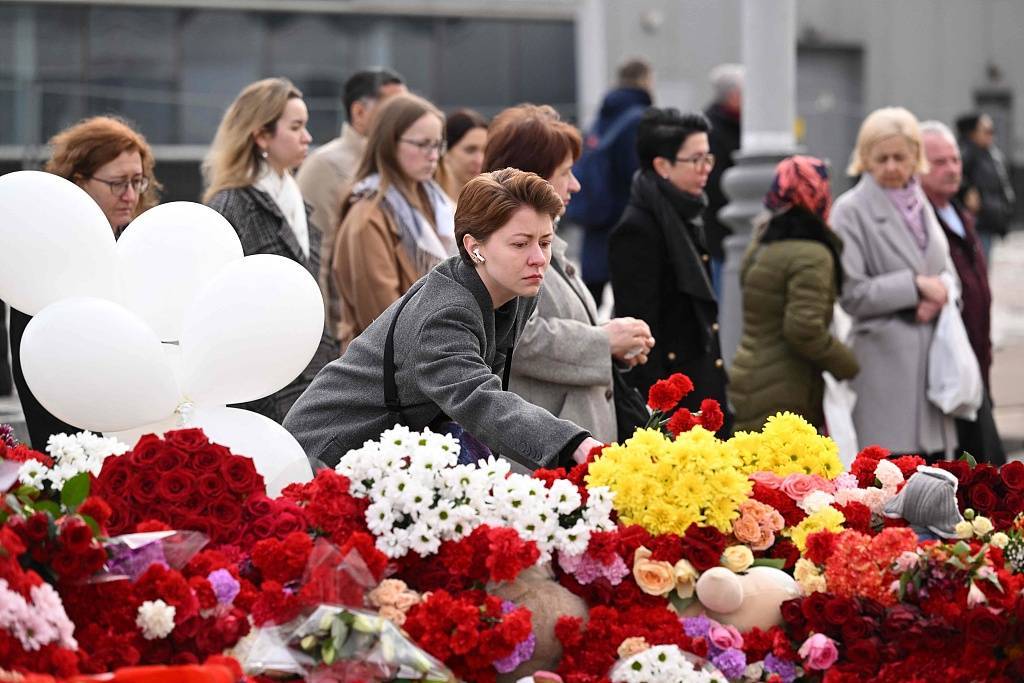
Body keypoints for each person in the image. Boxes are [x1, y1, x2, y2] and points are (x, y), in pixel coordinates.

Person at [284, 168, 602, 470]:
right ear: (474, 248)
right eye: (520, 244)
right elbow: (475, 397)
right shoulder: (447, 313)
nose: (538, 259)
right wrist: (573, 442)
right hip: (329, 451)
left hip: (398, 453)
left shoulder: (515, 289)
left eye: (545, 243)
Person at [483, 104, 654, 444]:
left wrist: (610, 342)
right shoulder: (500, 246)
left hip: (564, 443)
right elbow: (517, 337)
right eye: (565, 172)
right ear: (535, 176)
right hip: (543, 453)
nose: (574, 185)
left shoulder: (542, 245)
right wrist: (604, 341)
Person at [11, 115, 161, 448]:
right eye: (118, 182)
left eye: (138, 181)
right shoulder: (48, 263)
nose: (130, 195)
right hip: (70, 435)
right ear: (78, 181)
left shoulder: (137, 246)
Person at [203, 77, 335, 423]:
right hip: (260, 384)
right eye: (296, 127)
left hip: (310, 376)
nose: (307, 137)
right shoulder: (231, 204)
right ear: (261, 135)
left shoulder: (295, 198)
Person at [832, 107, 957, 459]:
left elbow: (945, 271)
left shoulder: (921, 204)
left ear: (916, 156)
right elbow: (851, 294)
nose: (891, 167)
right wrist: (914, 285)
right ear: (865, 159)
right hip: (881, 371)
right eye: (881, 158)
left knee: (933, 487)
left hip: (931, 371)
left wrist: (941, 293)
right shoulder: (850, 210)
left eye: (900, 157)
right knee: (886, 487)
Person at [609, 108, 731, 432]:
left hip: (699, 384)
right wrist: (661, 417)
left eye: (709, 158)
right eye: (696, 160)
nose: (706, 169)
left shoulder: (686, 211)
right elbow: (641, 332)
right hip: (674, 403)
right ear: (662, 165)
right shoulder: (638, 229)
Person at [729, 156, 859, 432]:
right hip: (787, 388)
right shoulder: (812, 254)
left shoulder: (761, 244)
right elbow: (803, 329)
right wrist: (848, 364)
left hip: (750, 375)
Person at [332, 93, 456, 351]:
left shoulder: (438, 203)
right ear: (389, 143)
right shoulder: (367, 217)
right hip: (390, 371)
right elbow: (383, 320)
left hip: (434, 354)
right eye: (422, 144)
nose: (433, 155)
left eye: (437, 145)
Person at [296, 68, 406, 340]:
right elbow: (315, 257)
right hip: (349, 337)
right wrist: (324, 339)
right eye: (395, 108)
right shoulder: (325, 166)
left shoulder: (401, 162)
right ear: (359, 112)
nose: (405, 117)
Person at [920, 120, 1005, 464]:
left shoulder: (959, 213)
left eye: (954, 160)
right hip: (945, 376)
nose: (952, 169)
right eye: (939, 162)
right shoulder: (920, 219)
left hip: (973, 363)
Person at [567, 58, 654, 306]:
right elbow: (635, 174)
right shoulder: (638, 119)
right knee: (630, 304)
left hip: (596, 218)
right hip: (624, 219)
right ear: (646, 79)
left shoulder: (603, 116)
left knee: (591, 301)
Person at [703, 64, 744, 298]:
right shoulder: (713, 130)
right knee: (722, 295)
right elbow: (715, 184)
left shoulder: (736, 125)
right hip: (720, 230)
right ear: (733, 96)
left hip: (723, 228)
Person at [956, 112, 1016, 264]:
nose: (991, 135)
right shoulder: (965, 152)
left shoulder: (991, 153)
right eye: (987, 131)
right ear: (972, 132)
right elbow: (955, 178)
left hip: (989, 220)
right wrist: (967, 191)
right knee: (976, 266)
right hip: (976, 222)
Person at [436, 108, 488, 201]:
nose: (479, 160)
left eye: (485, 150)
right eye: (470, 150)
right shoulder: (428, 203)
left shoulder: (490, 205)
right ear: (445, 152)